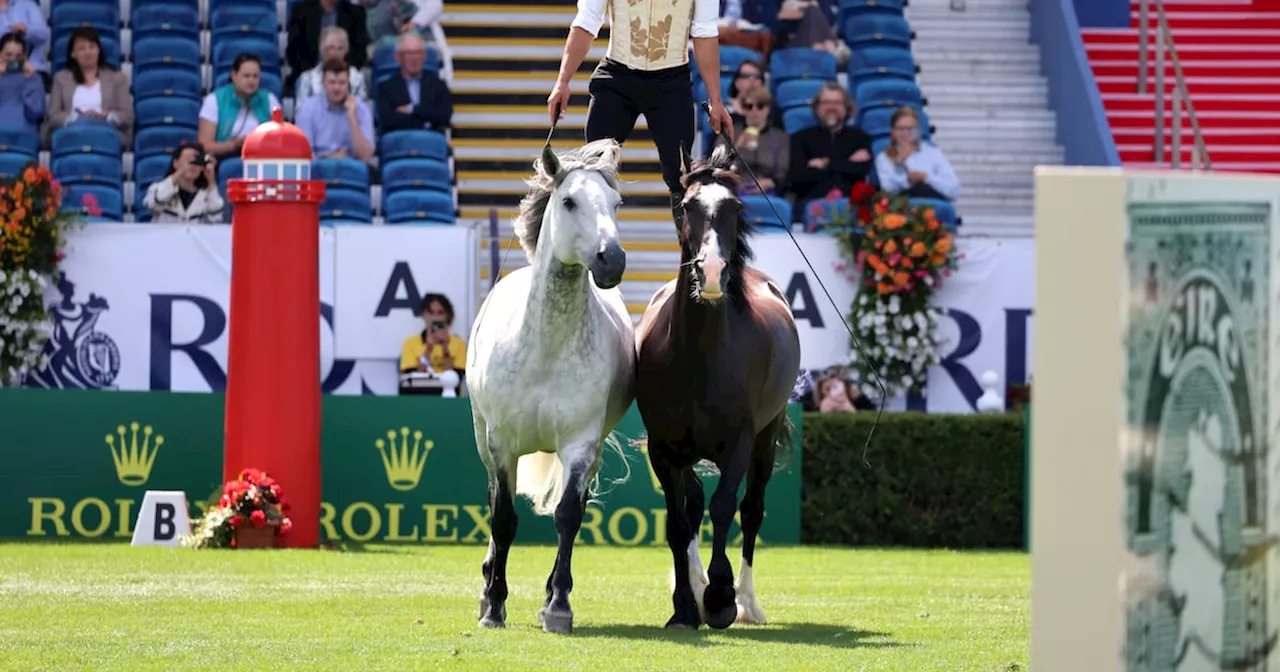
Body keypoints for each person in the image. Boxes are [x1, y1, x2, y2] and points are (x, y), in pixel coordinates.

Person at [548, 0, 733, 229]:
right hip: (617, 76)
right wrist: (562, 82)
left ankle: (692, 259)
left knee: (681, 176)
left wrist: (716, 101)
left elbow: (704, 32)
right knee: (595, 169)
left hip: (671, 82)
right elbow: (586, 22)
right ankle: (592, 251)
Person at [787, 81, 872, 214]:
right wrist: (846, 163)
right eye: (826, 102)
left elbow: (860, 170)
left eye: (837, 103)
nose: (831, 107)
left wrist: (824, 163)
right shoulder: (800, 138)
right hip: (811, 205)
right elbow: (798, 177)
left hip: (851, 206)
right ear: (817, 107)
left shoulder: (861, 138)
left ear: (846, 107)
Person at [44, 27, 133, 146]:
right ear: (73, 54)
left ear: (99, 50)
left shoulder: (117, 78)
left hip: (105, 133)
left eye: (92, 47)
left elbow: (127, 115)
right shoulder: (61, 78)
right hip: (72, 133)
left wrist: (106, 116)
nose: (88, 52)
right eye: (81, 48)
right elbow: (53, 115)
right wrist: (75, 118)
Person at [197, 53, 283, 159]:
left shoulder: (270, 99)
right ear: (234, 75)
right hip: (224, 158)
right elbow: (205, 146)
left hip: (263, 158)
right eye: (246, 76)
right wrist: (234, 145)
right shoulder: (214, 100)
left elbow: (281, 139)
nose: (251, 81)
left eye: (255, 76)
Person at [873, 105, 960, 202]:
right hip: (902, 208)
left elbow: (953, 190)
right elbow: (888, 192)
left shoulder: (933, 153)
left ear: (918, 131)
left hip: (933, 202)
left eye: (910, 129)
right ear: (893, 131)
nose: (906, 133)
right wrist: (904, 173)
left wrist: (926, 178)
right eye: (901, 129)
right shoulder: (884, 157)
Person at [295, 58, 375, 163]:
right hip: (319, 170)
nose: (337, 88)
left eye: (342, 83)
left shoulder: (361, 109)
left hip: (351, 172)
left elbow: (365, 157)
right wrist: (332, 159)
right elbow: (303, 156)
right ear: (323, 84)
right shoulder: (307, 108)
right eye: (332, 82)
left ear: (348, 84)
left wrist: (352, 118)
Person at [714, 87, 787, 195]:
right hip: (733, 190)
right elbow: (716, 165)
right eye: (749, 106)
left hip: (767, 191)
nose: (754, 111)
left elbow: (785, 172)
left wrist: (770, 182)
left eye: (760, 106)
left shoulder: (780, 137)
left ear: (768, 109)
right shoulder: (729, 133)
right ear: (743, 109)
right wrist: (736, 148)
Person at [374, 31, 452, 133]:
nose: (414, 58)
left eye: (417, 53)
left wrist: (412, 109)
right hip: (400, 141)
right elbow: (388, 120)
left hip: (432, 141)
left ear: (424, 56)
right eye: (408, 53)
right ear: (398, 57)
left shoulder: (438, 85)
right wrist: (426, 120)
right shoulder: (386, 87)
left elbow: (444, 116)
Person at [398, 293, 467, 396]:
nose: (435, 317)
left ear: (447, 316)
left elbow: (455, 378)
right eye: (431, 312)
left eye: (440, 313)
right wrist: (428, 350)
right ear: (423, 314)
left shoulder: (459, 345)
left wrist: (445, 348)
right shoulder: (410, 343)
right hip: (419, 396)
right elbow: (412, 380)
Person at [142, 141, 225, 223]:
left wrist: (211, 181)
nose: (193, 165)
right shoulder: (157, 188)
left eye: (197, 161)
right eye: (188, 160)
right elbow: (153, 204)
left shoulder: (207, 195)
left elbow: (216, 218)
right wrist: (181, 171)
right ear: (176, 163)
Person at [295, 26, 370, 103]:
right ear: (322, 50)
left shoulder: (356, 78)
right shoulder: (308, 79)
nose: (336, 53)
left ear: (346, 50)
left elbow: (363, 111)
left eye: (340, 48)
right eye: (331, 48)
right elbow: (300, 112)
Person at [0, 31, 42, 136]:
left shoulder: (33, 78)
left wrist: (30, 79)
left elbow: (36, 113)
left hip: (23, 134)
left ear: (24, 57)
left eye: (18, 56)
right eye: (8, 55)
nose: (13, 60)